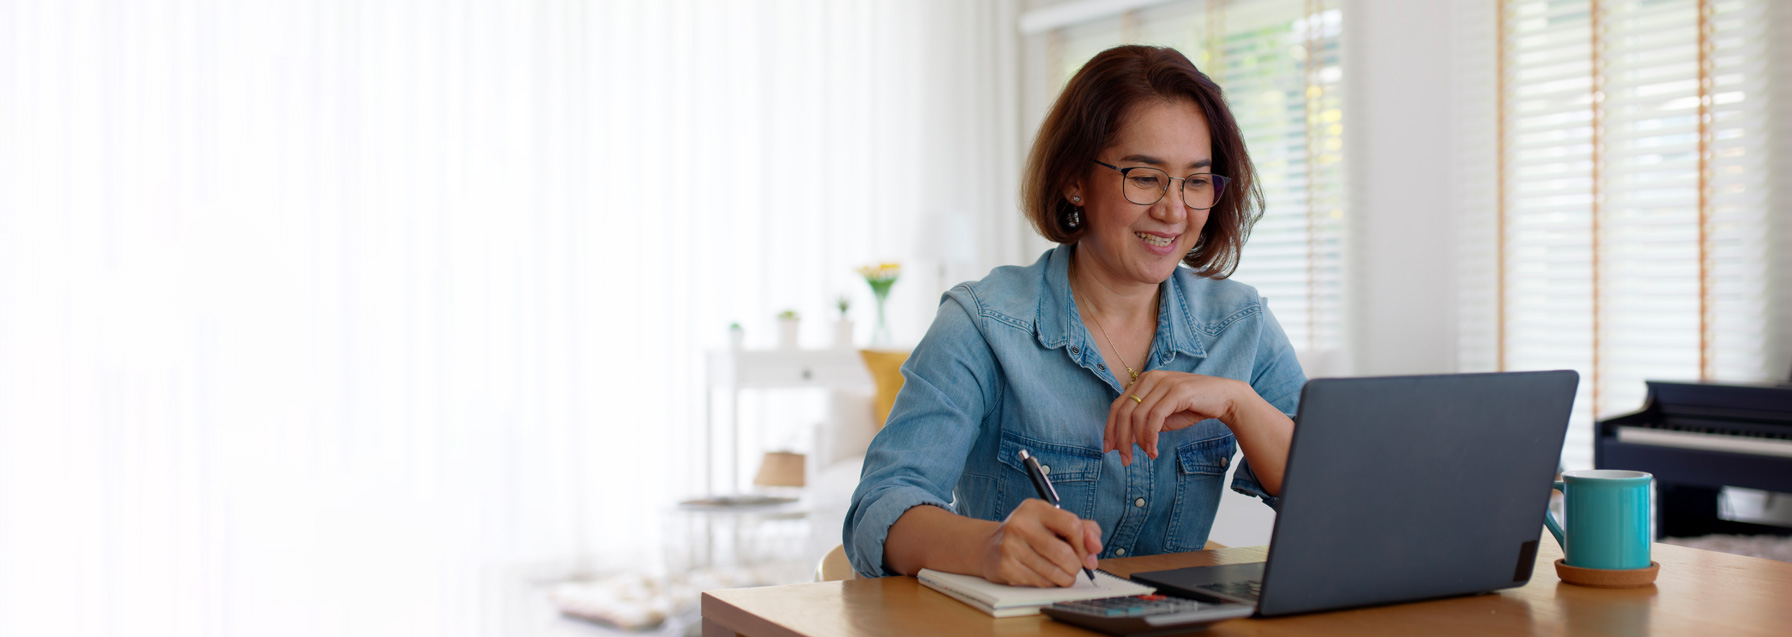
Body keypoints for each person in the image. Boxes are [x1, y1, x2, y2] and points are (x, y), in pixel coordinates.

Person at [844, 45, 1305, 586]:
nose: (1174, 210)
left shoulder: (1240, 322)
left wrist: (1237, 402)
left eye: (1196, 181)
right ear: (1074, 181)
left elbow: (1339, 496)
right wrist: (990, 546)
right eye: (1144, 176)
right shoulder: (984, 323)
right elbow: (881, 506)